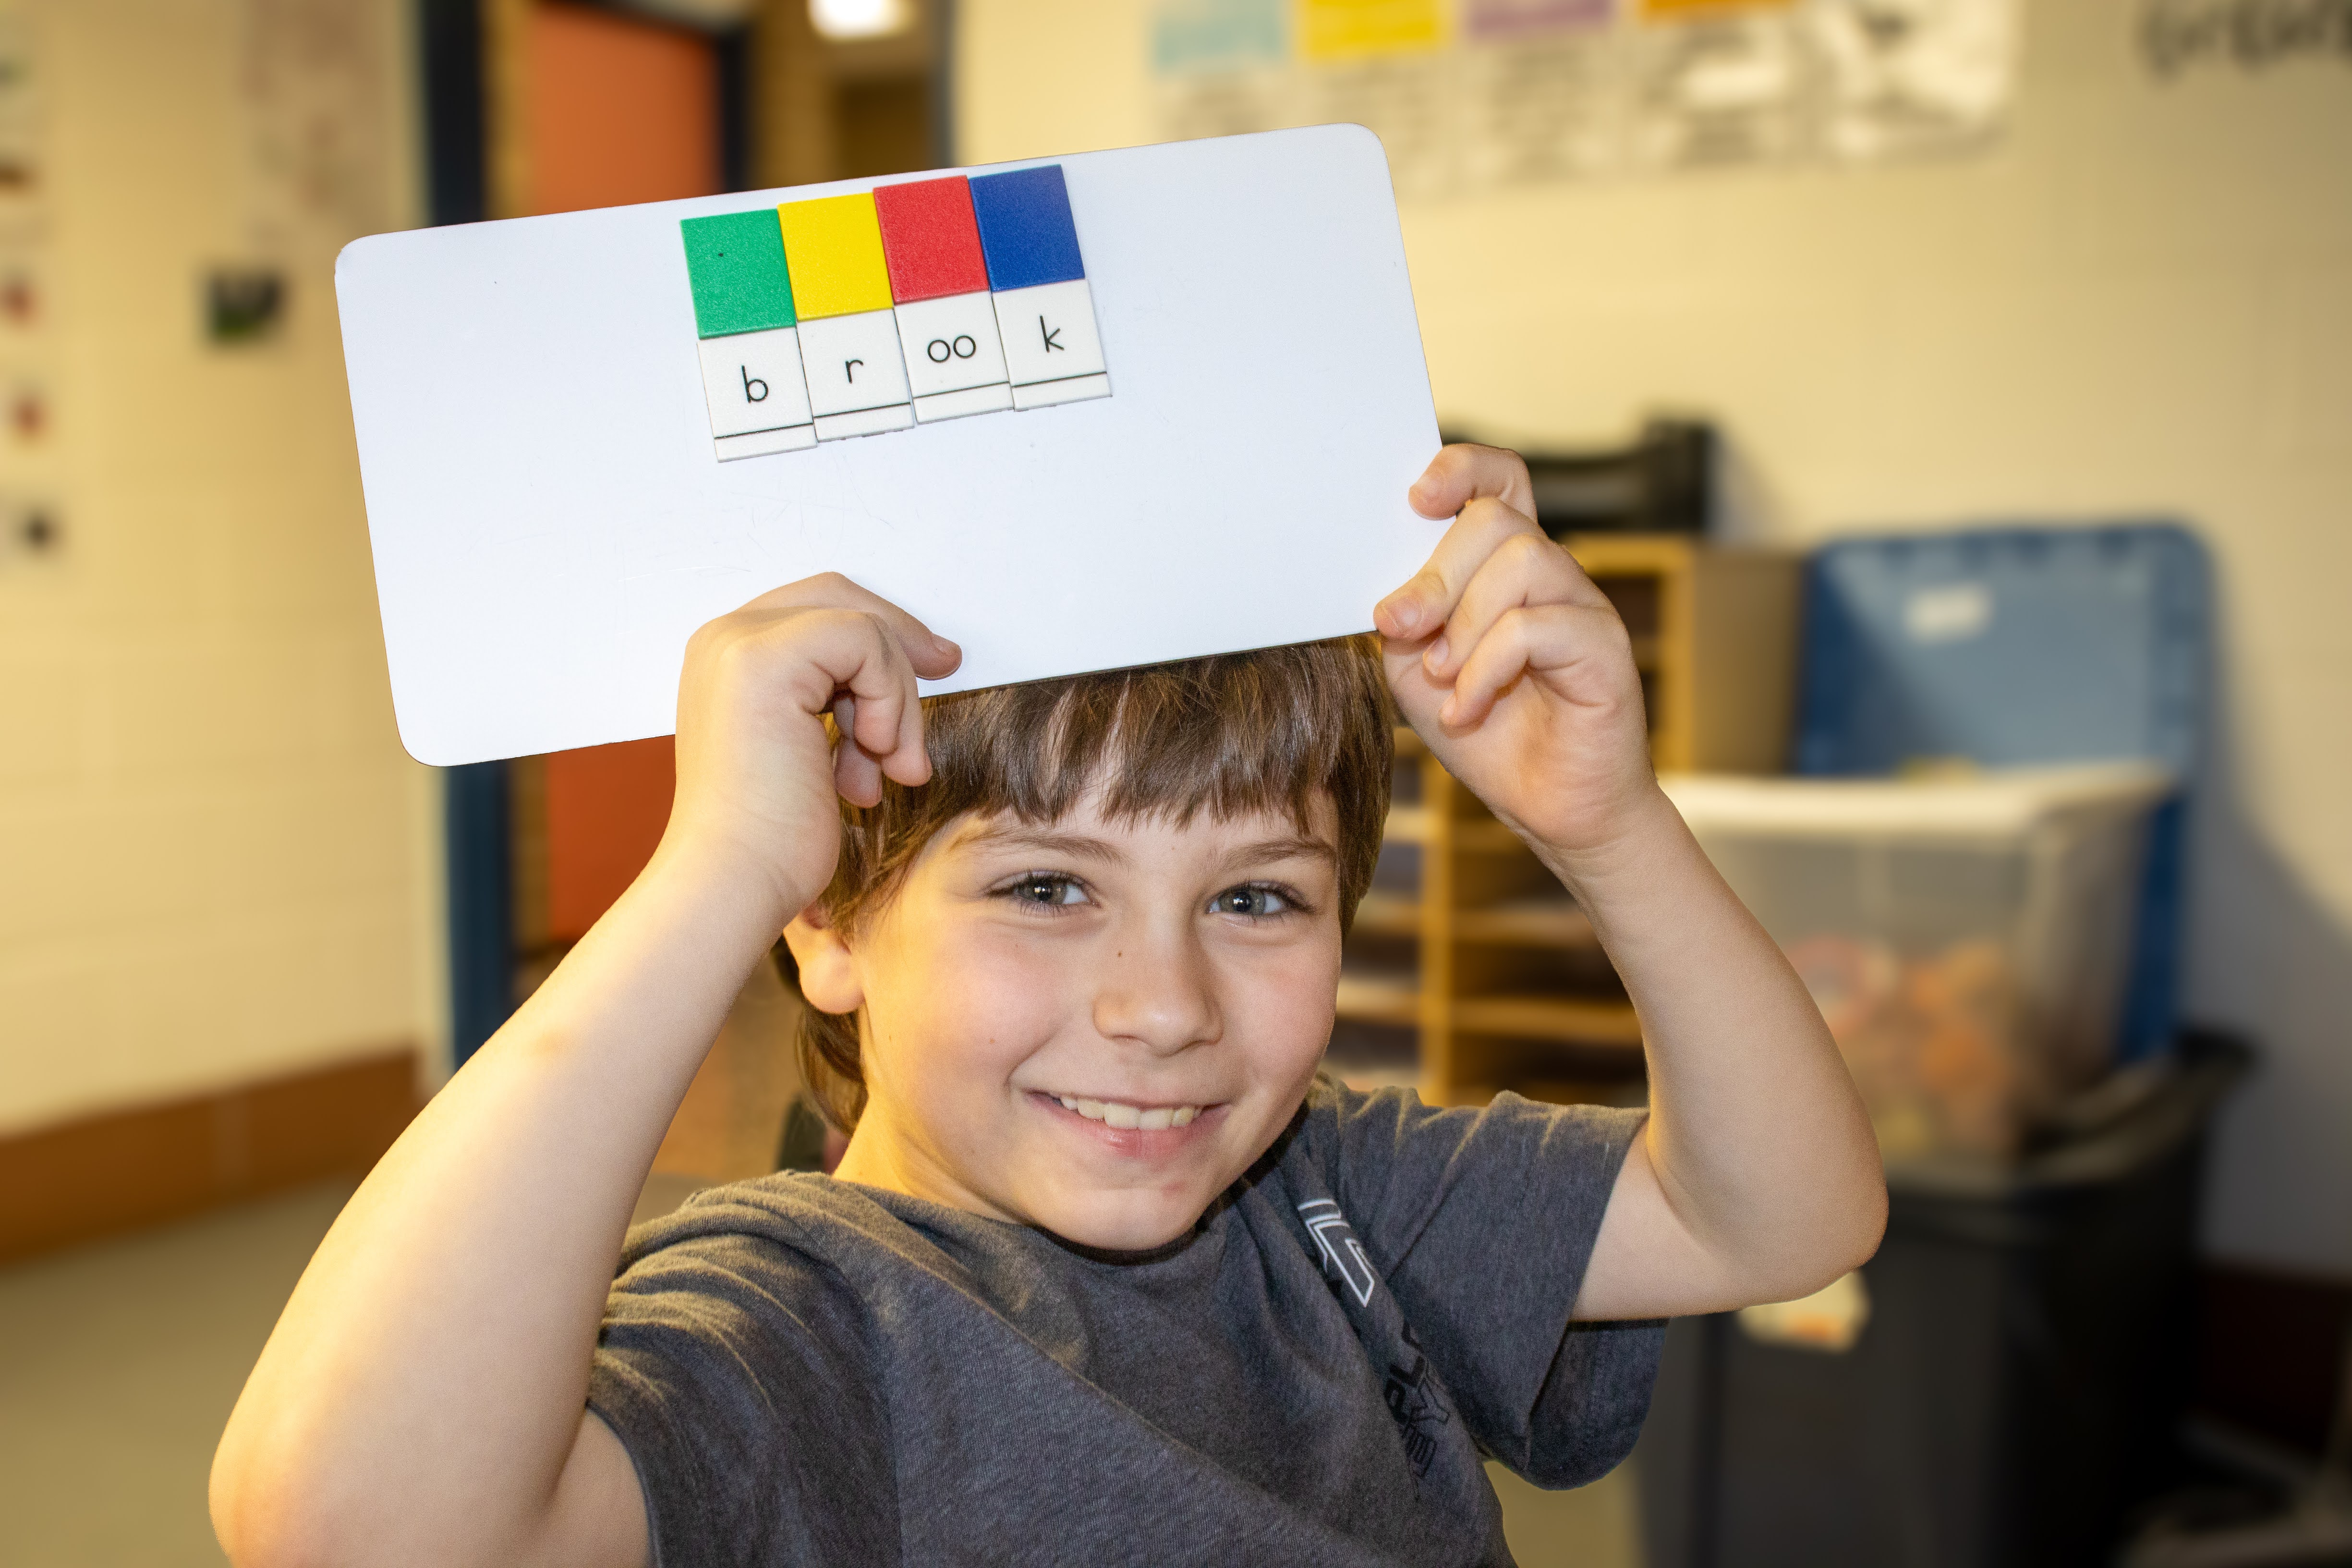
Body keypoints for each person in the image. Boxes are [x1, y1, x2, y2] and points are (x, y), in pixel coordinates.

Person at [209, 445, 1885, 1567]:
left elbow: (1782, 1216)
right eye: (1043, 886)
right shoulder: (806, 1320)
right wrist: (709, 869)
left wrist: (1607, 823)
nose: (1162, 1007)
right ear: (831, 926)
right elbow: (346, 1521)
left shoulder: (1329, 1194)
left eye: (1254, 899)